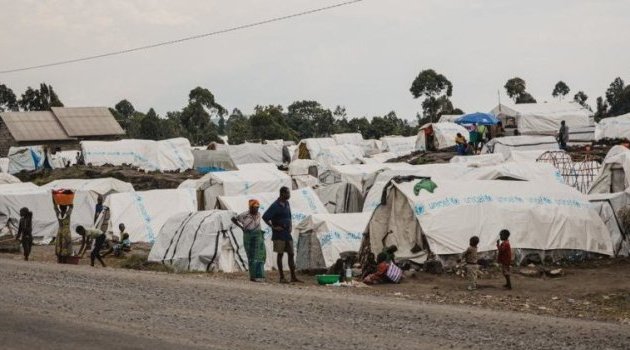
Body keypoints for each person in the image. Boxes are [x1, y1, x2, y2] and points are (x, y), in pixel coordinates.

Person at [262, 187, 301, 283]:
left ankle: (293, 276)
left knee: (291, 253)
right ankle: (282, 277)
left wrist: (290, 225)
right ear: (282, 193)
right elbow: (265, 217)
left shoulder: (287, 204)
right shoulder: (275, 205)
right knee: (280, 254)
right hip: (279, 234)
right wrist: (273, 227)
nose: (289, 195)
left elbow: (289, 216)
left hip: (287, 233)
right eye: (287, 193)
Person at [232, 199, 266, 282]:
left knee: (259, 255)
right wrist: (241, 227)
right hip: (248, 235)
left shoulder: (258, 214)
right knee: (251, 255)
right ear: (250, 207)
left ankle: (260, 276)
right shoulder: (244, 215)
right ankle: (253, 276)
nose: (256, 209)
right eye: (255, 207)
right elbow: (233, 219)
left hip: (257, 234)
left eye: (257, 207)